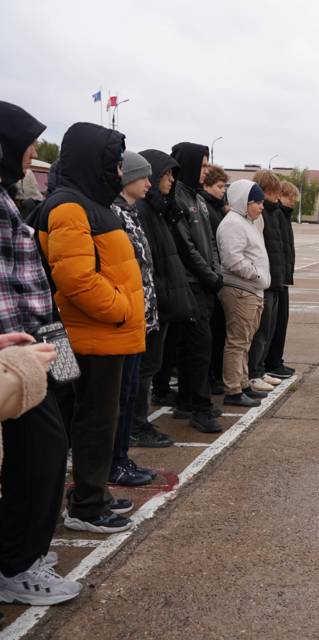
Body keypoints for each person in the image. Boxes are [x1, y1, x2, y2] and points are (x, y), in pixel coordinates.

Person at [37, 122, 145, 532]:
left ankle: (89, 491)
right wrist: (121, 310)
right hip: (86, 335)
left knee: (91, 420)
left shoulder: (89, 202)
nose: (119, 173)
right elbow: (76, 279)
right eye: (114, 164)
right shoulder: (69, 208)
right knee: (91, 421)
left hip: (97, 335)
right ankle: (86, 505)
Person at [0, 101, 82, 604]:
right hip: (15, 349)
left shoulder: (8, 195)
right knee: (40, 453)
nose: (34, 151)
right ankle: (15, 563)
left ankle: (21, 549)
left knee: (44, 451)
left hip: (33, 339)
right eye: (27, 142)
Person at [133, 149, 196, 448]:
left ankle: (137, 422)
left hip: (163, 303)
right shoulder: (144, 212)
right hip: (154, 304)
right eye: (167, 174)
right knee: (145, 368)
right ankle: (136, 425)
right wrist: (161, 295)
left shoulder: (160, 210)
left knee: (151, 366)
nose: (171, 180)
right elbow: (148, 264)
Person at [107, 151, 160, 486]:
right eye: (144, 177)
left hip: (140, 318)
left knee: (129, 395)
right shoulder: (114, 214)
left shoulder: (131, 213)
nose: (149, 183)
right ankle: (116, 461)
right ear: (128, 179)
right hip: (124, 319)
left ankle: (122, 457)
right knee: (120, 398)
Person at [169, 142, 223, 434]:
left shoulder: (198, 200)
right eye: (201, 166)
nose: (205, 171)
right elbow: (186, 248)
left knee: (200, 347)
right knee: (198, 347)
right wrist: (209, 276)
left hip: (205, 284)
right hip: (190, 285)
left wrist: (215, 271)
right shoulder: (177, 198)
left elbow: (210, 243)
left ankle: (188, 401)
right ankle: (199, 407)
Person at [217, 180, 270, 407]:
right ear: (242, 202)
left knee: (245, 340)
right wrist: (256, 275)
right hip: (240, 290)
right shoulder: (233, 224)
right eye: (256, 202)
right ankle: (233, 390)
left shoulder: (249, 222)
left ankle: (243, 382)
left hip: (251, 291)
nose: (261, 206)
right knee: (237, 341)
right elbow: (232, 259)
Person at [248, 170, 284, 393]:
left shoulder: (273, 214)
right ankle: (253, 372)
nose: (276, 197)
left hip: (274, 279)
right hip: (264, 281)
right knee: (259, 331)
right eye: (273, 192)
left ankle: (260, 369)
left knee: (268, 330)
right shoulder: (260, 217)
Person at [200, 164, 229, 395]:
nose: (223, 191)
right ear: (207, 185)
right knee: (210, 333)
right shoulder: (205, 208)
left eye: (224, 187)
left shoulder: (219, 208)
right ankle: (210, 377)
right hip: (210, 278)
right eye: (219, 186)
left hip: (218, 276)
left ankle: (214, 376)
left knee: (219, 331)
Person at [265, 180, 298, 381]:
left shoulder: (283, 216)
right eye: (290, 197)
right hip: (275, 278)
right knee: (273, 325)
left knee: (280, 322)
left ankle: (277, 361)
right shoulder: (276, 215)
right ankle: (272, 363)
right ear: (281, 195)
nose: (293, 201)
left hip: (282, 276)